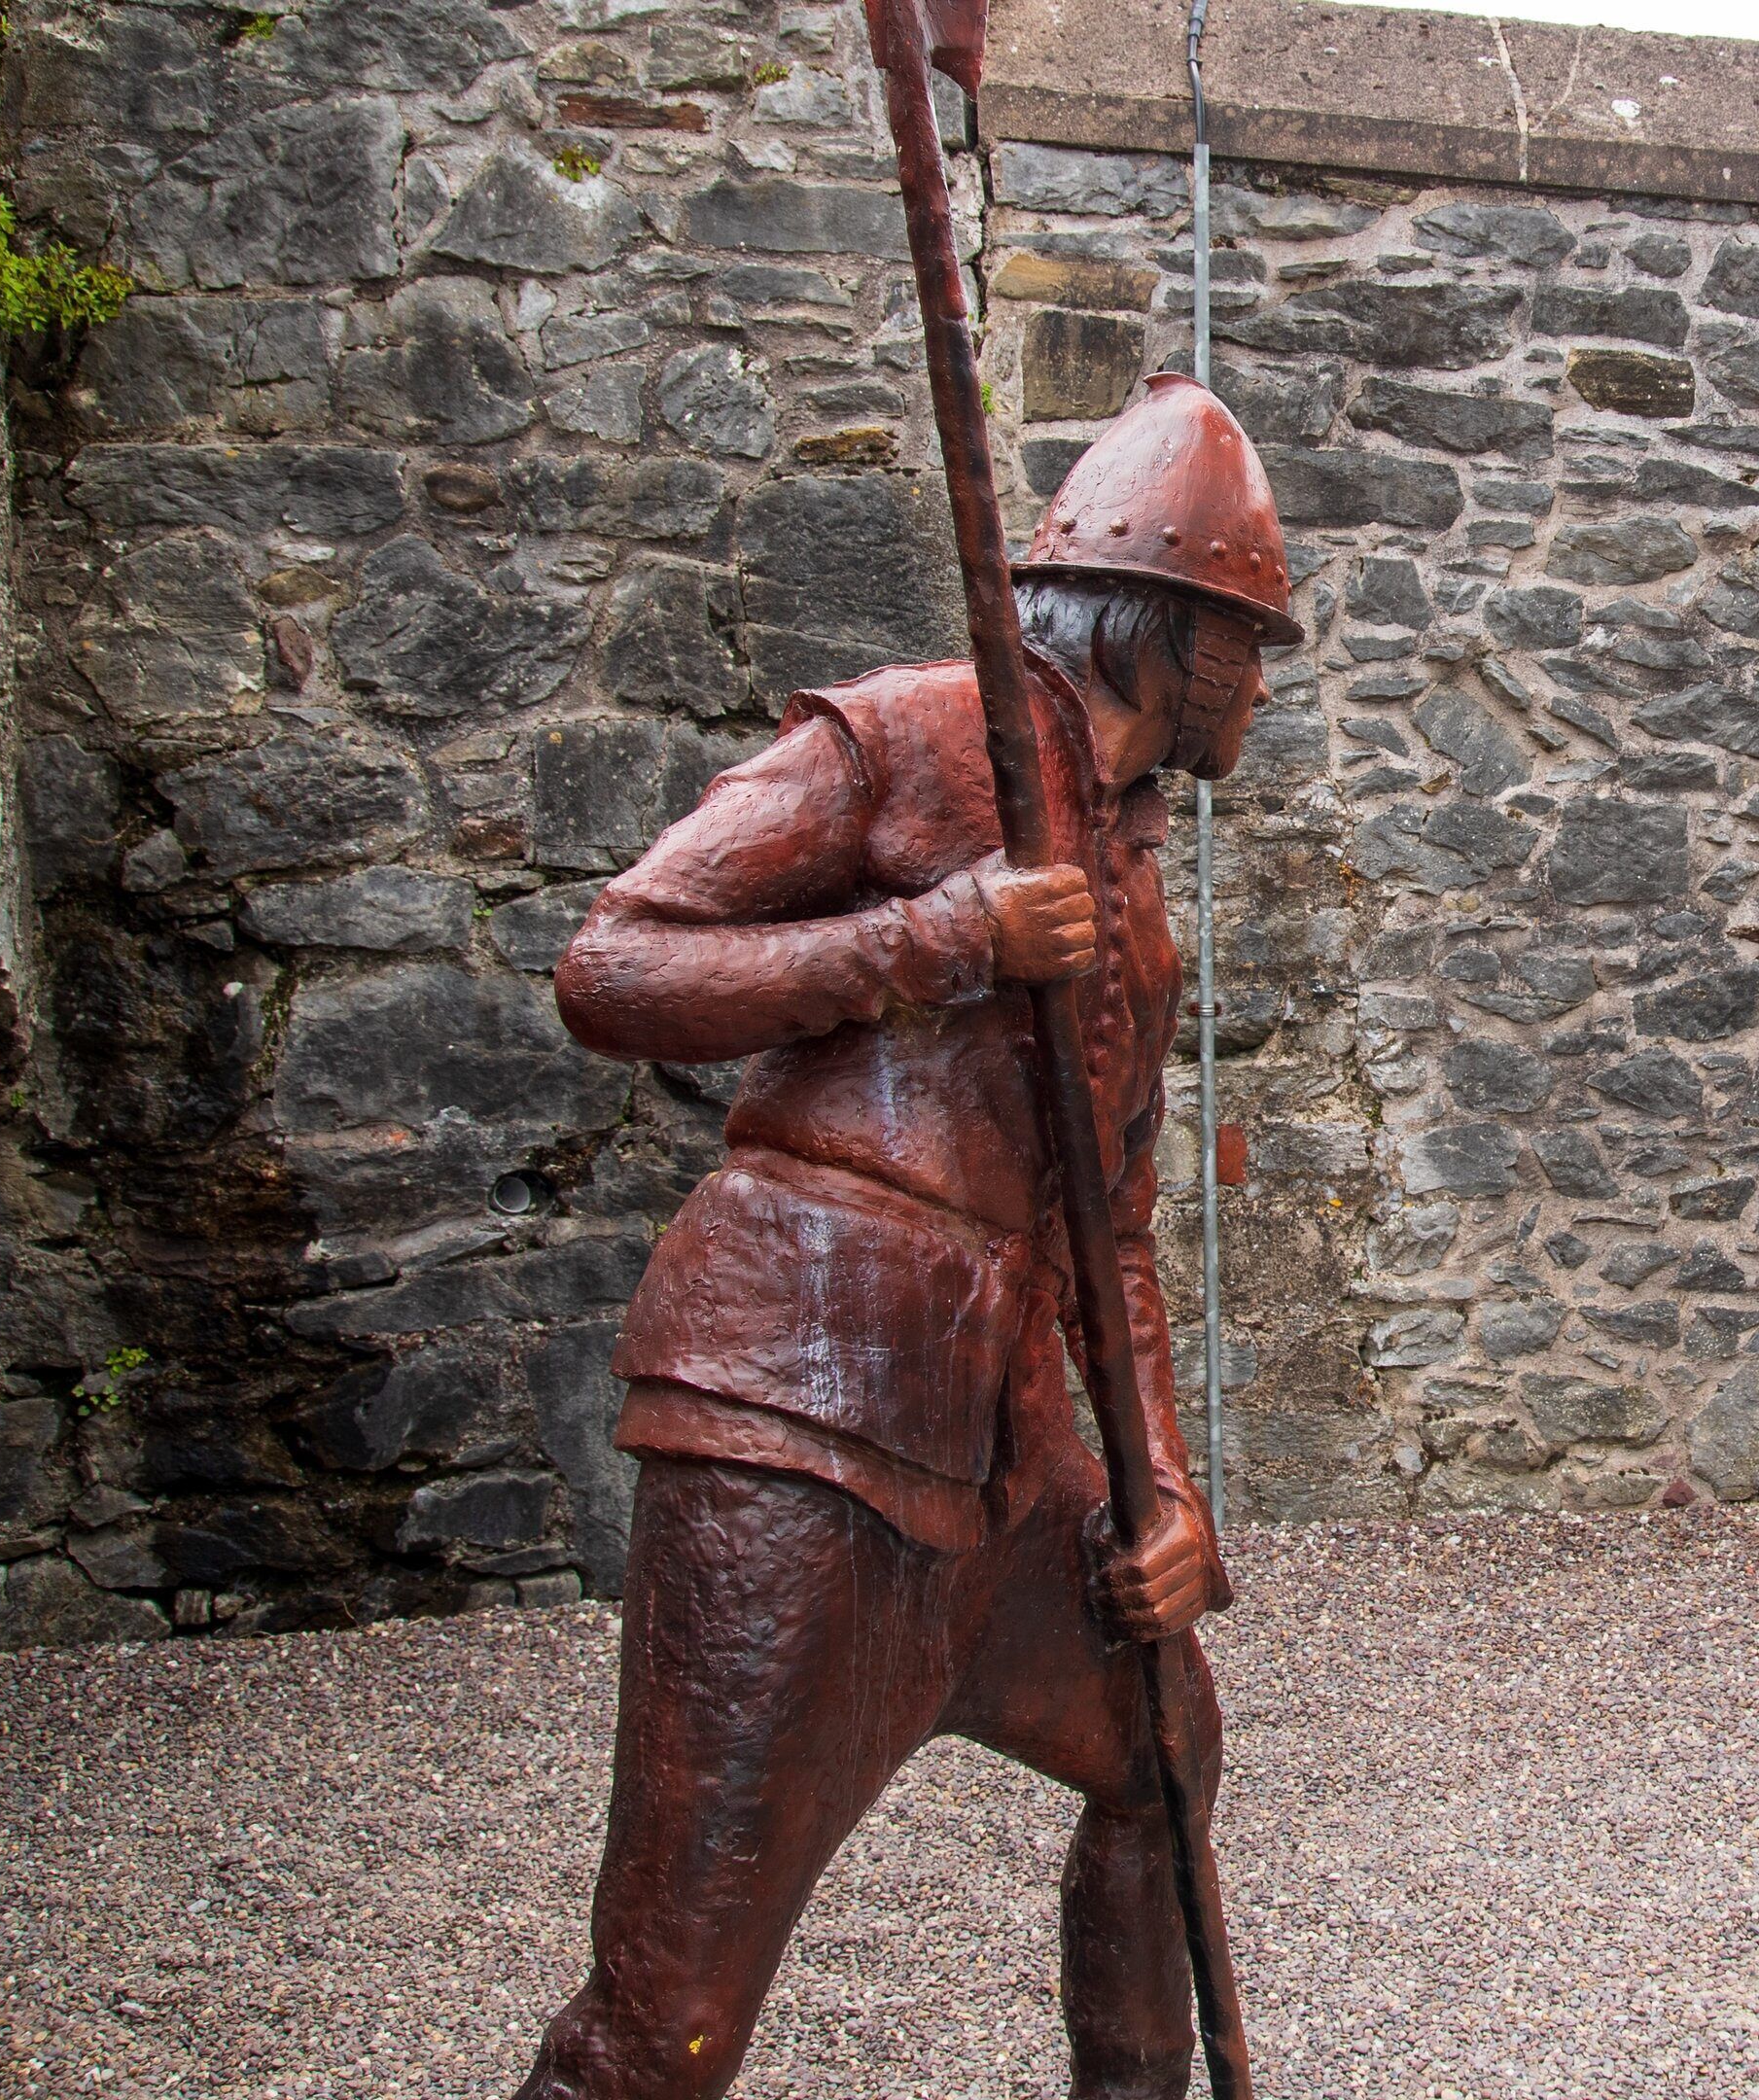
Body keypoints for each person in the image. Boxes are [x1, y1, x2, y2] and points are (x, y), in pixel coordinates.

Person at [518, 373, 1299, 2100]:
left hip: (1000, 1439)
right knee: (673, 2009)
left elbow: (1114, 1227)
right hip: (800, 1407)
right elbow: (613, 969)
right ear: (1167, 629)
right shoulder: (913, 736)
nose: (1262, 684)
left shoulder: (1135, 877)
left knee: (1163, 1752)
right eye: (1250, 645)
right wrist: (930, 940)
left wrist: (1164, 1489)